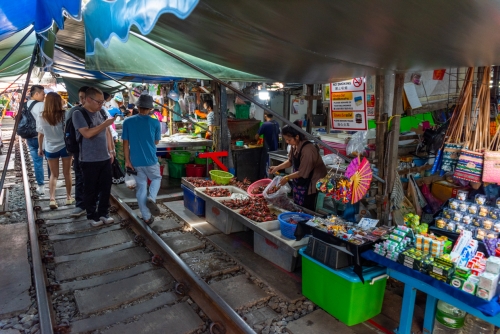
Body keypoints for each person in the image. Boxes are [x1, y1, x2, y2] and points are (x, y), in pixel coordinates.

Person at [73, 87, 117, 226]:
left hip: (104, 156)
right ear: (88, 100)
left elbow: (107, 132)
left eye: (102, 102)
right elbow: (87, 133)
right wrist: (104, 124)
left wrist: (111, 150)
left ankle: (104, 213)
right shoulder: (78, 113)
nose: (101, 105)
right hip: (88, 159)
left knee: (106, 187)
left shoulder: (102, 111)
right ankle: (92, 216)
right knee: (90, 189)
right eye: (98, 102)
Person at [123, 94, 161, 224]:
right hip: (151, 159)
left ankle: (146, 217)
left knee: (141, 187)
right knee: (156, 178)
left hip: (135, 161)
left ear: (138, 106)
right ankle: (152, 198)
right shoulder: (155, 122)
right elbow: (156, 142)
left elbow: (125, 143)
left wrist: (127, 161)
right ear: (150, 108)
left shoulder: (127, 121)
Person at [269, 125, 327, 211]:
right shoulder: (294, 145)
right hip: (300, 182)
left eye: (289, 139)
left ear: (297, 136)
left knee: (307, 208)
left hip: (311, 184)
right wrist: (277, 167)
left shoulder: (308, 150)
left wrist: (287, 177)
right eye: (285, 139)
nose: (287, 142)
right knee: (297, 207)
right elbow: (290, 161)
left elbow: (303, 172)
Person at [37, 92, 73, 209]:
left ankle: (52, 199)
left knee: (53, 174)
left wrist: (40, 148)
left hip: (50, 147)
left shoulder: (41, 116)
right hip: (65, 147)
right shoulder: (65, 114)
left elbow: (40, 135)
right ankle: (68, 197)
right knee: (67, 173)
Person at [67, 86, 89, 217]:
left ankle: (94, 203)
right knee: (80, 178)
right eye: (80, 97)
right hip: (79, 151)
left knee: (95, 179)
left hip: (96, 153)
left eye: (84, 97)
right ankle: (80, 205)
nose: (81, 100)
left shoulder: (100, 111)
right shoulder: (74, 111)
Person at [26, 85, 46, 195]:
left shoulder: (24, 105)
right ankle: (54, 180)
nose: (44, 96)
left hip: (30, 136)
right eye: (43, 94)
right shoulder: (42, 105)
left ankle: (41, 186)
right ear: (37, 94)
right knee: (50, 159)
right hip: (42, 136)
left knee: (37, 161)